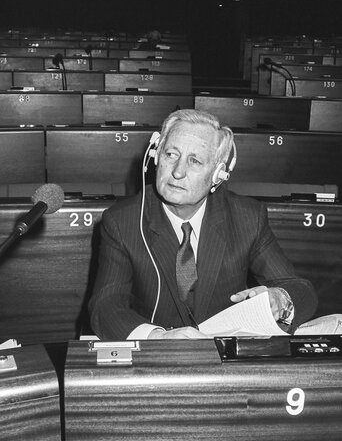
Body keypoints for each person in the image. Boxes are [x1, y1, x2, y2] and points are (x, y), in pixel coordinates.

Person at [89, 109, 318, 340]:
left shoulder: (247, 218)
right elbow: (106, 305)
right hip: (155, 358)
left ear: (218, 174)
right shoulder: (122, 221)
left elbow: (301, 291)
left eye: (194, 161)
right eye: (171, 154)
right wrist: (157, 338)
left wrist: (280, 299)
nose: (178, 172)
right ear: (156, 156)